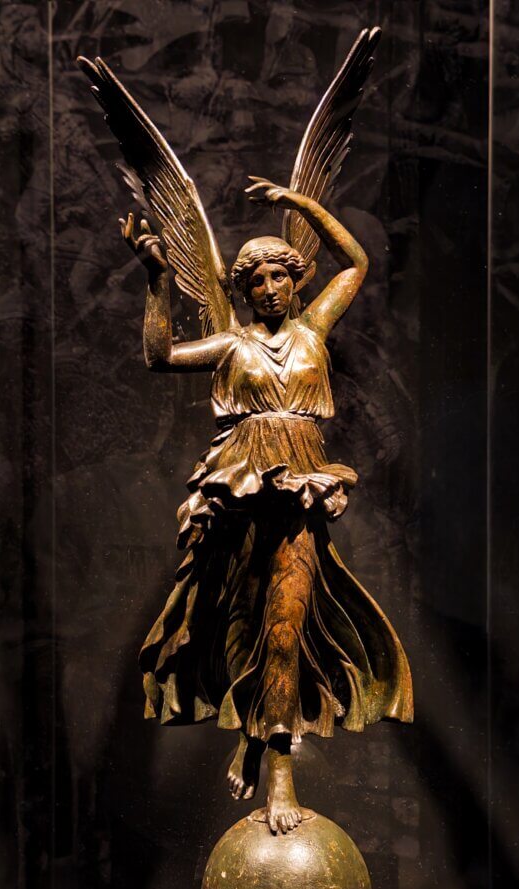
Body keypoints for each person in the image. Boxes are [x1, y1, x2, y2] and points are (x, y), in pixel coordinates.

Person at [128, 179, 413, 834]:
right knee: (242, 622)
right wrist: (156, 279)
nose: (268, 289)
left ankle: (280, 773)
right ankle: (251, 733)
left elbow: (357, 263)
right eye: (254, 281)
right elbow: (159, 355)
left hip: (299, 491)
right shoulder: (234, 345)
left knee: (285, 628)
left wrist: (298, 204)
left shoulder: (314, 329)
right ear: (244, 292)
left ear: (296, 279)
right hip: (236, 492)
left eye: (278, 275)